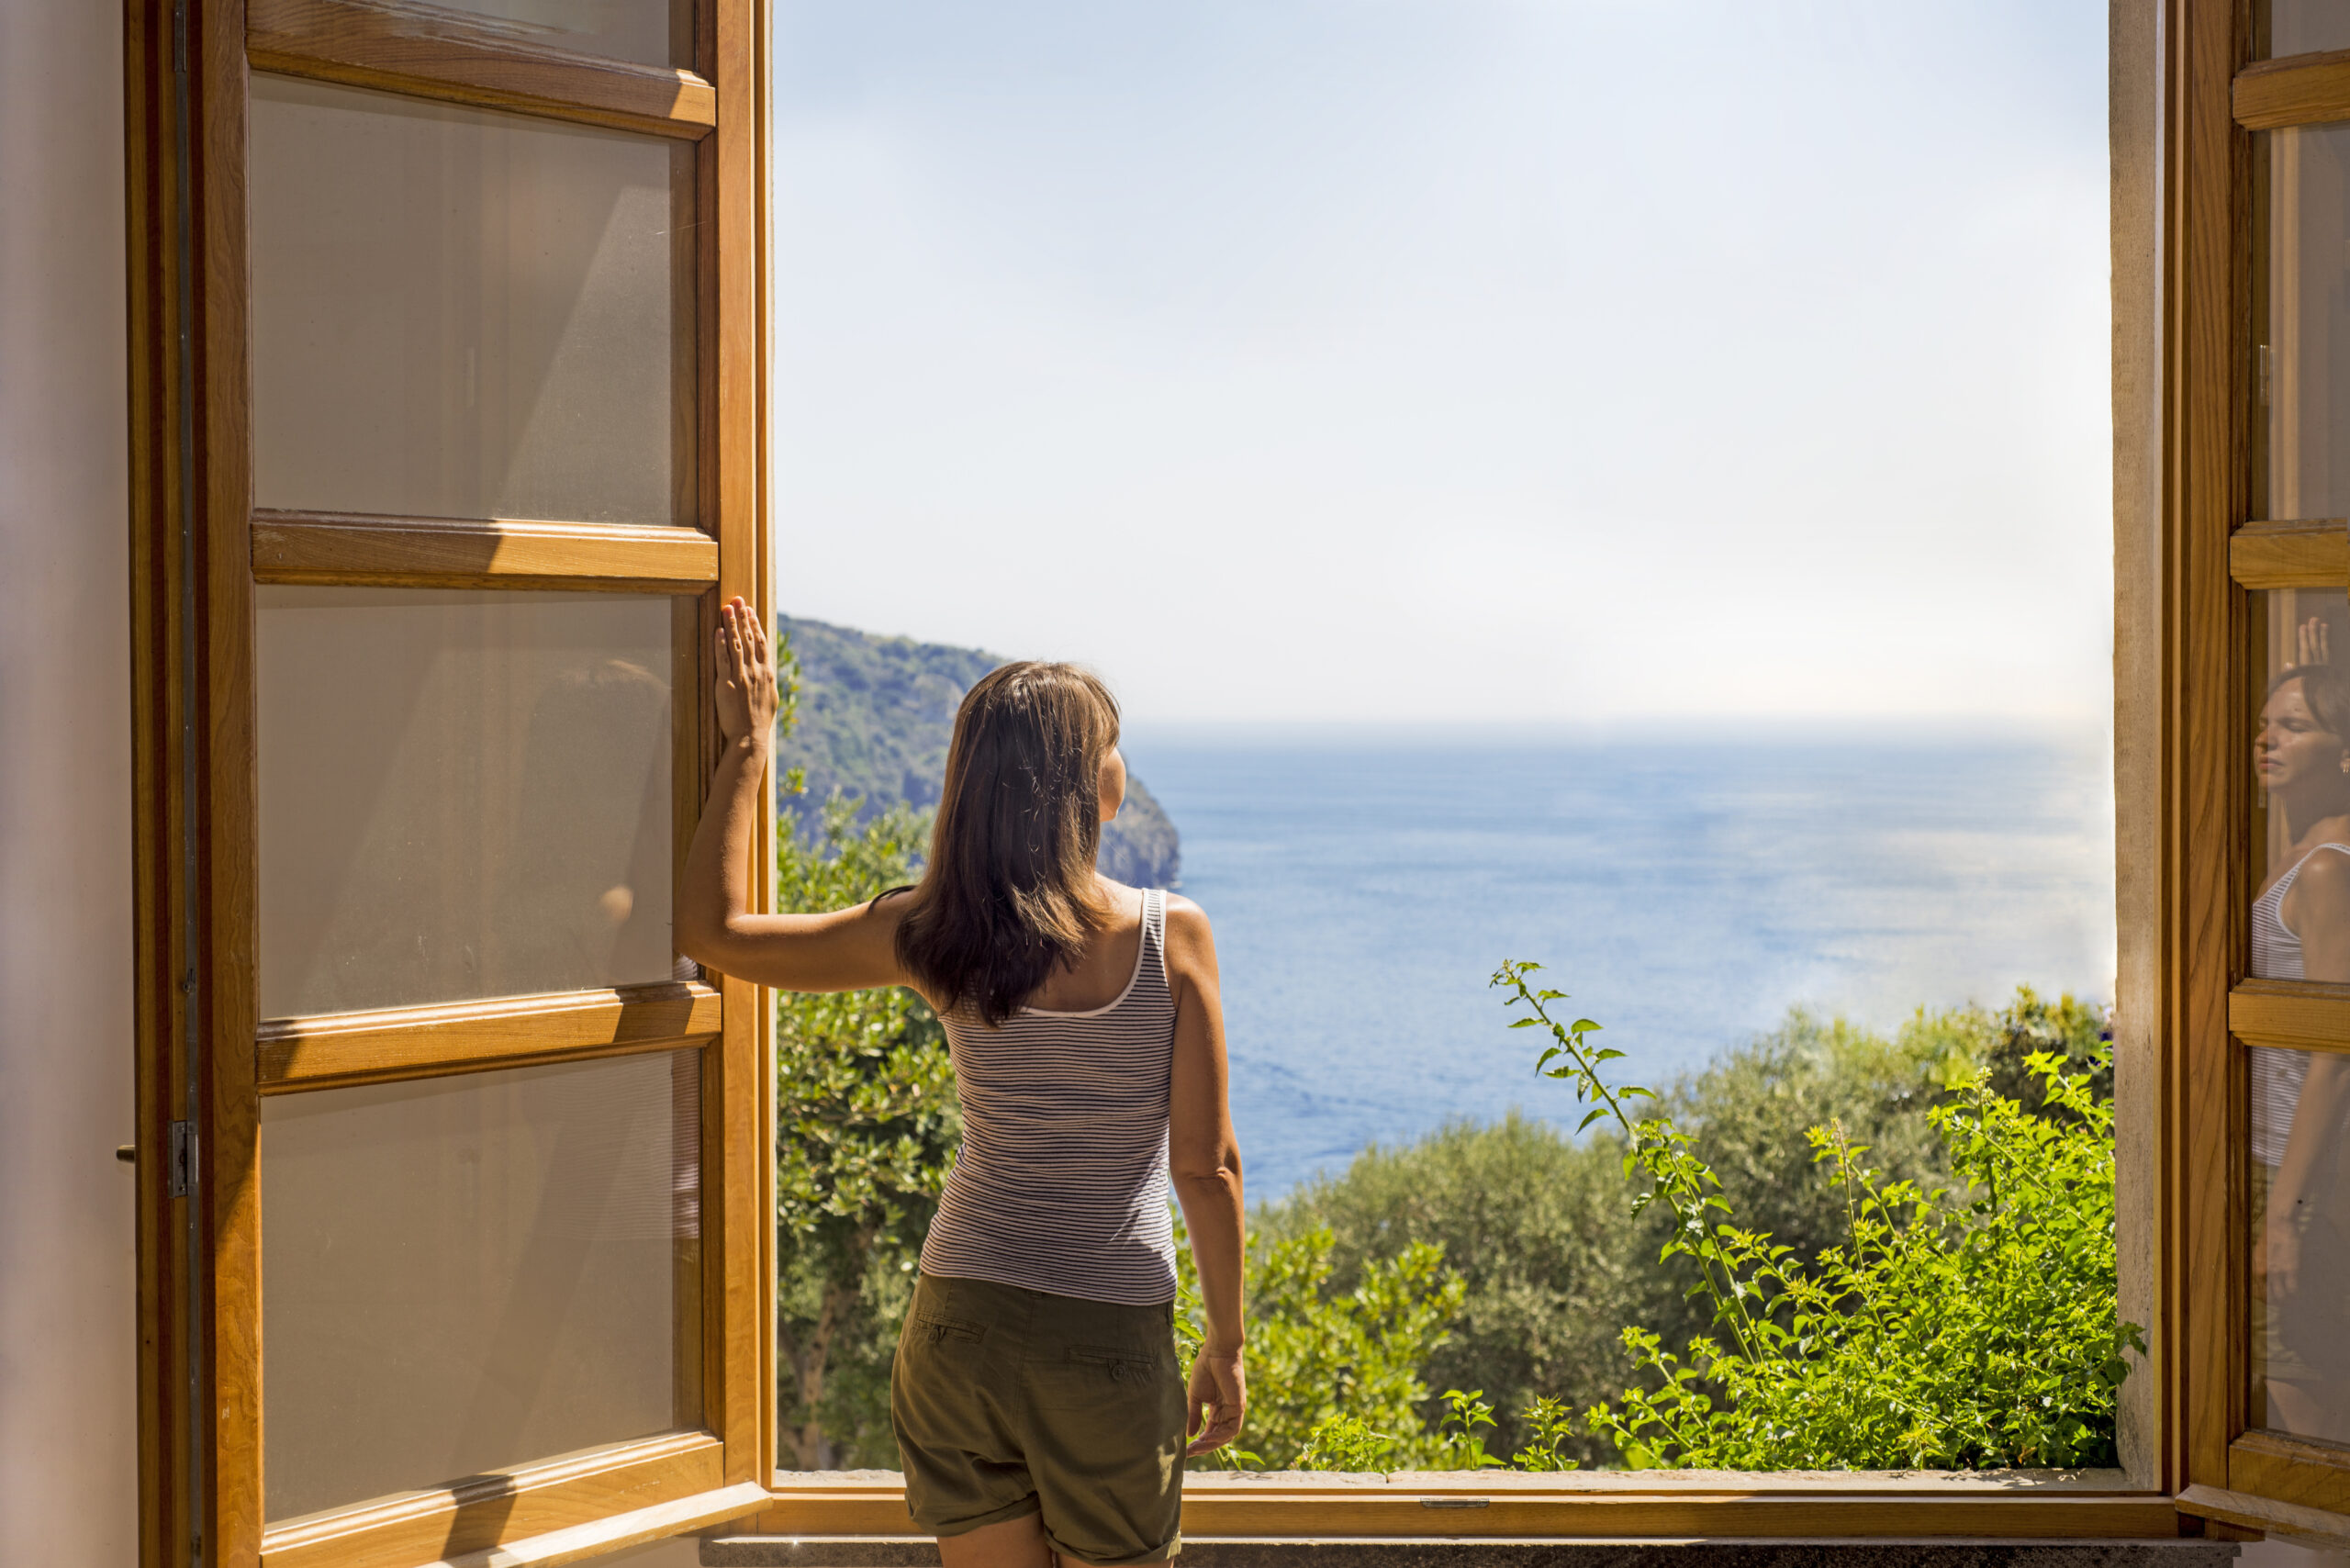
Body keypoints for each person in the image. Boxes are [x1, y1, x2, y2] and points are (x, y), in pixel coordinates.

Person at [678, 599, 1246, 1567]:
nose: (1123, 764)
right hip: (1105, 1336)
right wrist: (1225, 1343)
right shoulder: (1170, 935)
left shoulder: (930, 932)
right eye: (1114, 745)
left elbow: (718, 933)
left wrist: (748, 748)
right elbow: (1207, 1167)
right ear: (1085, 784)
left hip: (958, 1326)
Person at [2247, 621, 2350, 1441]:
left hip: (2295, 1168)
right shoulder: (2295, 847)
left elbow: (2334, 1053)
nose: (2267, 738)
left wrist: (2284, 1213)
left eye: (2295, 726)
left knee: (2296, 1395)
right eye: (2266, 723)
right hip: (2272, 1160)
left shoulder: (2326, 868)